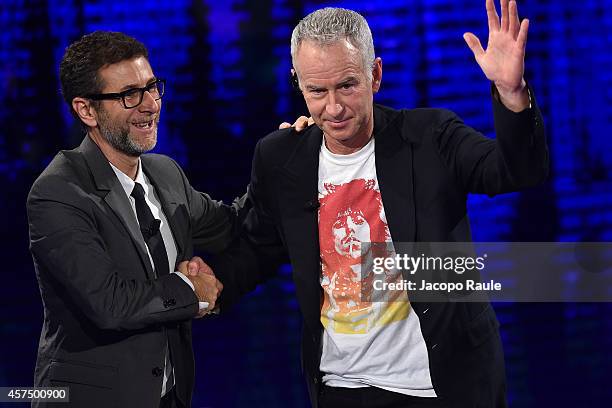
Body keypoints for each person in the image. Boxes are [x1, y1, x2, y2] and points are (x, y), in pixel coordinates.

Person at [216, 1, 549, 407]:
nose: (333, 108)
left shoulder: (431, 137)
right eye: (317, 91)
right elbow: (260, 245)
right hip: (343, 387)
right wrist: (208, 286)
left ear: (375, 75)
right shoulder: (280, 157)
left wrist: (511, 93)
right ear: (297, 83)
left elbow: (516, 172)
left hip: (445, 384)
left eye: (347, 86)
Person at [27, 31, 229, 408]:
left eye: (152, 87)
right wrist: (191, 290)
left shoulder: (165, 173)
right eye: (129, 95)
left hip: (169, 394)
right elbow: (110, 304)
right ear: (86, 110)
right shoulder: (58, 192)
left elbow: (233, 225)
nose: (150, 105)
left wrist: (290, 156)